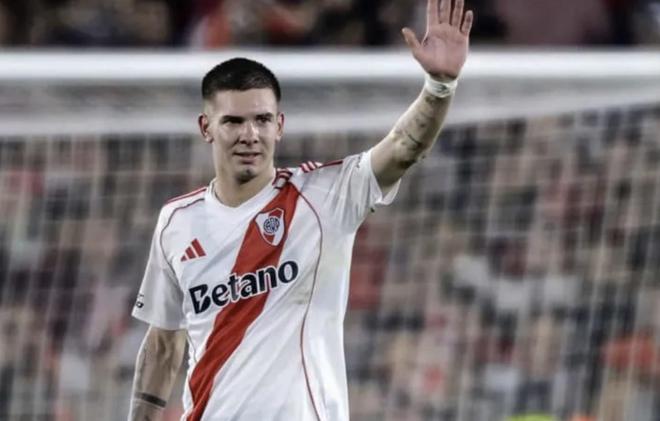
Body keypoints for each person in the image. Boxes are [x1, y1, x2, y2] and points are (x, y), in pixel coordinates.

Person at [128, 0, 473, 419]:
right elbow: (164, 344)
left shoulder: (324, 196)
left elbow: (403, 148)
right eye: (233, 122)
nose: (250, 134)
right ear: (207, 128)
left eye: (262, 120)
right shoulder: (177, 221)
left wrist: (439, 87)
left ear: (279, 126)